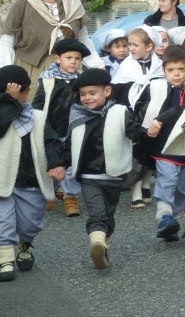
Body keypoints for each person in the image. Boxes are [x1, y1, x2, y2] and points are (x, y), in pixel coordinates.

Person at [0, 65, 59, 282]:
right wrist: (9, 101)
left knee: (31, 222)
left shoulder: (39, 117)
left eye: (19, 94)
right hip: (3, 179)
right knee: (2, 220)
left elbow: (52, 142)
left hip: (32, 179)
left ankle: (25, 242)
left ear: (27, 91)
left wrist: (56, 164)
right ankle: (5, 260)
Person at [0, 0, 102, 100]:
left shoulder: (73, 3)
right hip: (31, 70)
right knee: (35, 114)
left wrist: (98, 68)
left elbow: (83, 40)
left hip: (69, 70)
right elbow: (7, 42)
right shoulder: (23, 4)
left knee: (69, 112)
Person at [65, 68, 133, 270]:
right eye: (83, 94)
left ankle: (102, 246)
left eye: (92, 93)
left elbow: (135, 132)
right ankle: (96, 242)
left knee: (108, 216)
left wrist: (150, 133)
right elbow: (68, 146)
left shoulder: (120, 112)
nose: (86, 98)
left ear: (107, 91)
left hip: (114, 176)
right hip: (89, 176)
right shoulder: (78, 116)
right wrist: (57, 164)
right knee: (96, 213)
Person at [125, 45, 185, 242]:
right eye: (171, 70)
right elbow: (140, 109)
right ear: (164, 70)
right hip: (164, 147)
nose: (177, 74)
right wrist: (141, 133)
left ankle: (173, 217)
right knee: (167, 178)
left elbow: (183, 111)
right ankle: (163, 215)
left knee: (183, 185)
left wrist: (161, 118)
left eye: (181, 69)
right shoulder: (157, 88)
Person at [32, 38, 92, 218]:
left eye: (77, 58)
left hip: (75, 128)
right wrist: (41, 124)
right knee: (50, 160)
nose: (73, 61)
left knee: (74, 163)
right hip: (51, 128)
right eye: (69, 57)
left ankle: (69, 196)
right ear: (58, 59)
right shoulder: (48, 80)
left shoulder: (82, 81)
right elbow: (38, 106)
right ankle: (49, 192)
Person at [112, 25, 165, 208]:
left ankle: (145, 183)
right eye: (129, 45)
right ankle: (135, 189)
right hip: (133, 115)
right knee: (136, 149)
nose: (130, 49)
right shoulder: (127, 66)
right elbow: (118, 90)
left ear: (148, 46)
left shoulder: (159, 65)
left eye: (135, 45)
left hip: (154, 112)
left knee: (151, 147)